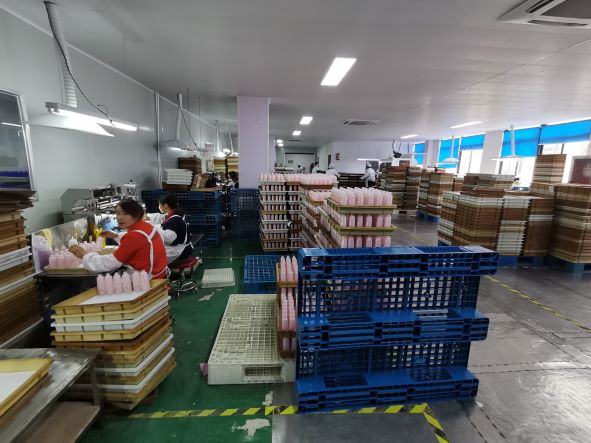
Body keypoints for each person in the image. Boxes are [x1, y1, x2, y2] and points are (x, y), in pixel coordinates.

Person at [69, 200, 168, 278]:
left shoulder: (134, 237)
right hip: (159, 274)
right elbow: (139, 241)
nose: (120, 217)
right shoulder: (147, 226)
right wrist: (116, 235)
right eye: (117, 213)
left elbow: (111, 262)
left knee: (88, 285)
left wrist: (85, 255)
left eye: (125, 214)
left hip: (146, 279)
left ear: (136, 216)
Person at [146, 194, 193, 265]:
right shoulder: (174, 214)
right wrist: (148, 218)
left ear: (165, 206)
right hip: (181, 248)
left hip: (180, 252)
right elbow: (163, 218)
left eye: (159, 205)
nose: (159, 207)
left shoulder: (176, 220)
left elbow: (169, 238)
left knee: (149, 259)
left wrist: (151, 228)